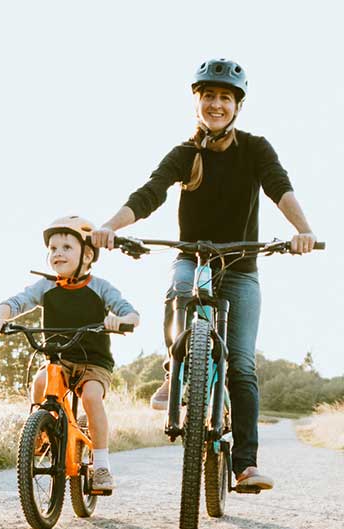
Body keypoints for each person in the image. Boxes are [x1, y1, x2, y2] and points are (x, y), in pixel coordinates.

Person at [91, 58, 317, 490]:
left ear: (237, 106)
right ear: (197, 103)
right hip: (193, 258)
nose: (216, 104)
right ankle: (174, 368)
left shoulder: (255, 149)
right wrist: (109, 227)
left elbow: (278, 186)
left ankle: (245, 465)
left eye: (225, 98)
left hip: (241, 267)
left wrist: (302, 231)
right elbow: (150, 192)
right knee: (178, 287)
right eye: (208, 96)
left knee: (243, 366)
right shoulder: (185, 153)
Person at [0, 216, 139, 490]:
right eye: (53, 248)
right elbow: (17, 301)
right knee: (40, 382)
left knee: (92, 397)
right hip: (59, 359)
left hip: (94, 362)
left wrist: (121, 319)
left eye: (67, 247)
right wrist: (0, 317)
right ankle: (42, 430)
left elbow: (131, 313)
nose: (58, 253)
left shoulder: (100, 286)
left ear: (88, 255)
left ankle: (101, 464)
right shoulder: (46, 286)